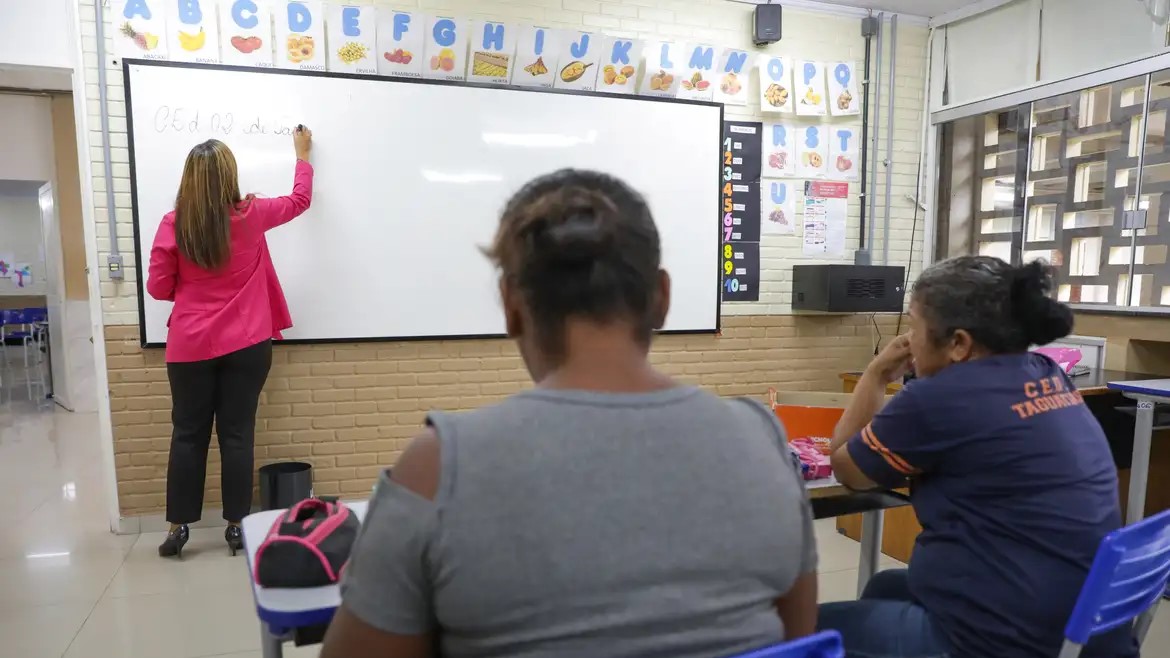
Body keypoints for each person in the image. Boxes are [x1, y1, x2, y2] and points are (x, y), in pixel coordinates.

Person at [320, 169, 818, 658]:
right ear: (662, 299)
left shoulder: (438, 469)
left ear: (511, 305)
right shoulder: (763, 441)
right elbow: (798, 639)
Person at [818, 256, 1138, 658]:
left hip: (1004, 642)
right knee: (884, 589)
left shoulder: (939, 398)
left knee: (796, 629)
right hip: (1086, 626)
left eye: (914, 327)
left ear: (959, 343)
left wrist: (875, 375)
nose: (908, 342)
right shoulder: (1045, 371)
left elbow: (848, 469)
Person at [146, 128, 313, 559]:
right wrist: (302, 155)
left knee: (187, 436)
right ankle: (237, 526)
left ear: (188, 180)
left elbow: (158, 286)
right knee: (237, 435)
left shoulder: (173, 225)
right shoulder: (252, 215)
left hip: (189, 347)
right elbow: (300, 201)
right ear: (229, 176)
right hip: (248, 345)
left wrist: (192, 293)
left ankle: (177, 528)